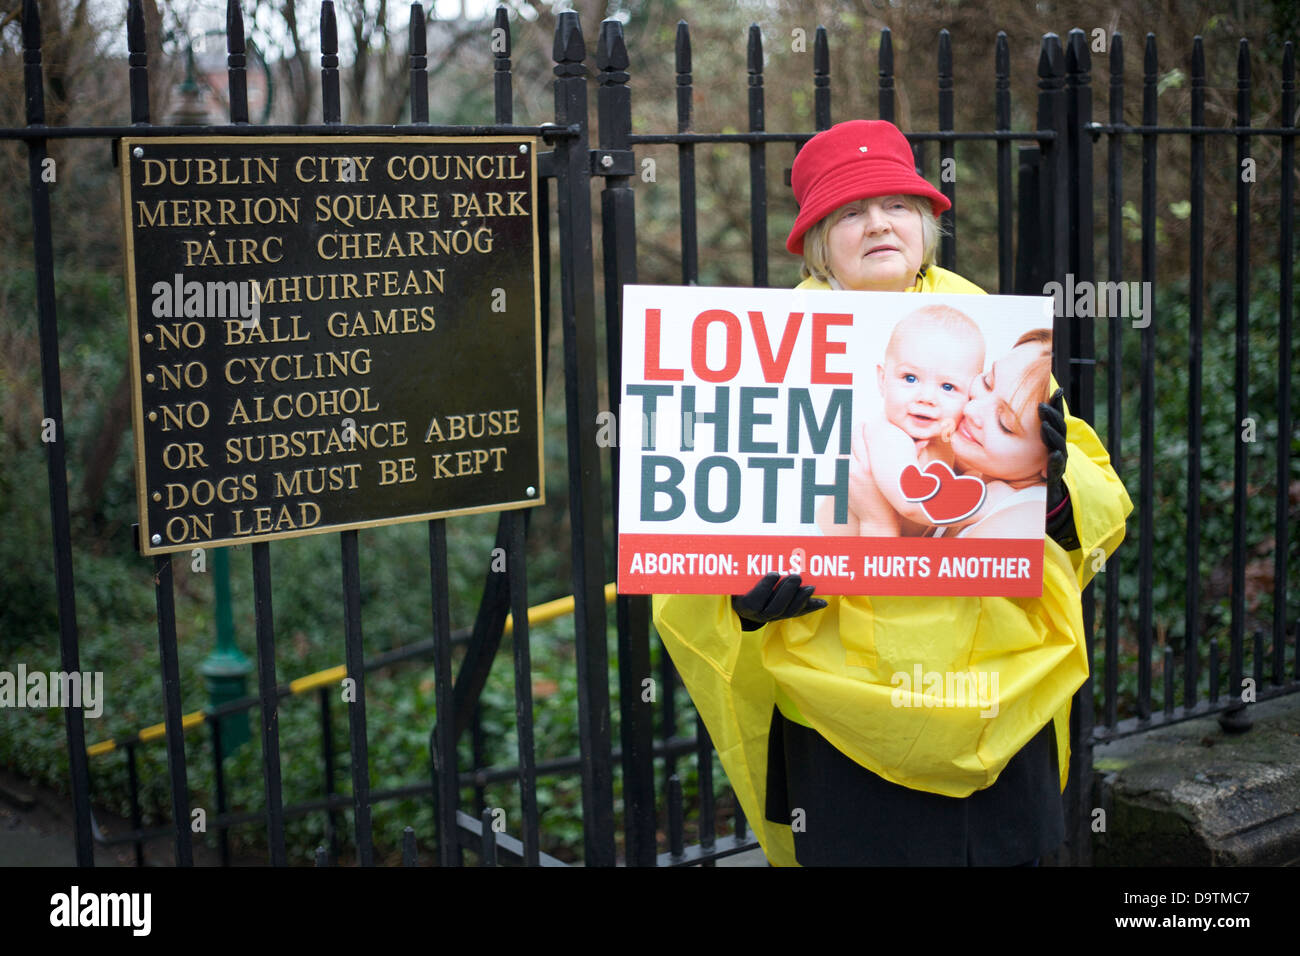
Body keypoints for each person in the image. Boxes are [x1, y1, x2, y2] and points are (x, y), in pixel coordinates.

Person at [651, 119, 1133, 866]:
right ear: (817, 239)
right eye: (850, 211)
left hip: (1001, 702)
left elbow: (1096, 491)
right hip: (843, 720)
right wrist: (741, 599)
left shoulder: (995, 331)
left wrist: (1059, 496)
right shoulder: (760, 348)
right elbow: (691, 538)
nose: (878, 223)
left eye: (898, 205)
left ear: (927, 224)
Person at [818, 304, 986, 537]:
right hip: (821, 551)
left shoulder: (946, 438)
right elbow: (911, 503)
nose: (926, 398)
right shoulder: (888, 435)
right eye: (910, 378)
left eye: (948, 386)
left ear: (971, 395)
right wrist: (988, 507)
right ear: (882, 379)